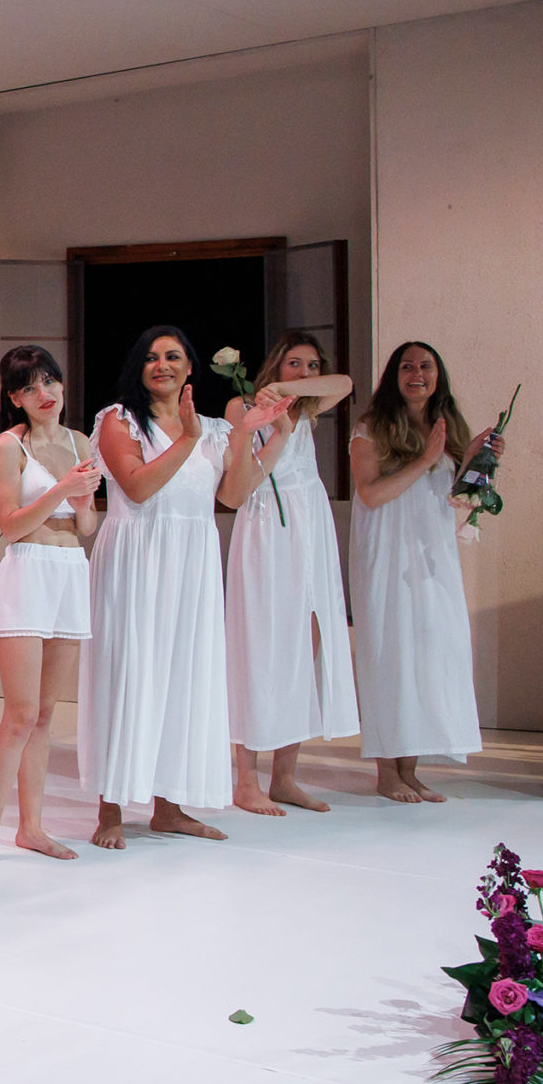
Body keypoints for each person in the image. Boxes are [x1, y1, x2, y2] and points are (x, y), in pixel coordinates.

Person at [80, 326, 287, 848]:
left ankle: (168, 809)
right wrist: (189, 438)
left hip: (191, 565)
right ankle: (110, 810)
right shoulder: (119, 420)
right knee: (127, 675)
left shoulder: (215, 429)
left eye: (173, 356)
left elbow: (233, 496)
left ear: (190, 367)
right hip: (136, 559)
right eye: (151, 357)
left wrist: (272, 439)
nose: (162, 365)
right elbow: (138, 487)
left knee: (181, 678)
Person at [349, 342, 497, 802]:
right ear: (394, 376)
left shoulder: (444, 425)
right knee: (390, 655)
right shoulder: (371, 427)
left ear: (438, 375)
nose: (417, 373)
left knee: (426, 654)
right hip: (387, 556)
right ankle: (386, 773)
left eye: (426, 366)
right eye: (407, 366)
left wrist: (477, 459)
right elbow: (371, 494)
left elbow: (452, 494)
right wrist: (425, 459)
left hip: (431, 556)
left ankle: (409, 770)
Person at [0, 344, 99, 869]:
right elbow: (10, 524)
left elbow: (86, 526)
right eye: (29, 387)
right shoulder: (8, 445)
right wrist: (62, 489)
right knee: (20, 713)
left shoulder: (80, 441)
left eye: (49, 381)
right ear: (14, 398)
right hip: (27, 570)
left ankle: (32, 828)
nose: (43, 393)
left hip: (70, 570)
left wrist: (82, 503)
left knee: (46, 715)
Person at [220, 332, 358, 815]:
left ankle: (285, 778)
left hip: (310, 529)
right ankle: (246, 780)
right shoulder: (242, 407)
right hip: (265, 526)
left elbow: (345, 383)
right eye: (294, 363)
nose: (305, 373)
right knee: (260, 647)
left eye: (312, 365)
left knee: (306, 644)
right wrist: (274, 419)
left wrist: (293, 390)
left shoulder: (308, 408)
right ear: (275, 364)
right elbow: (238, 481)